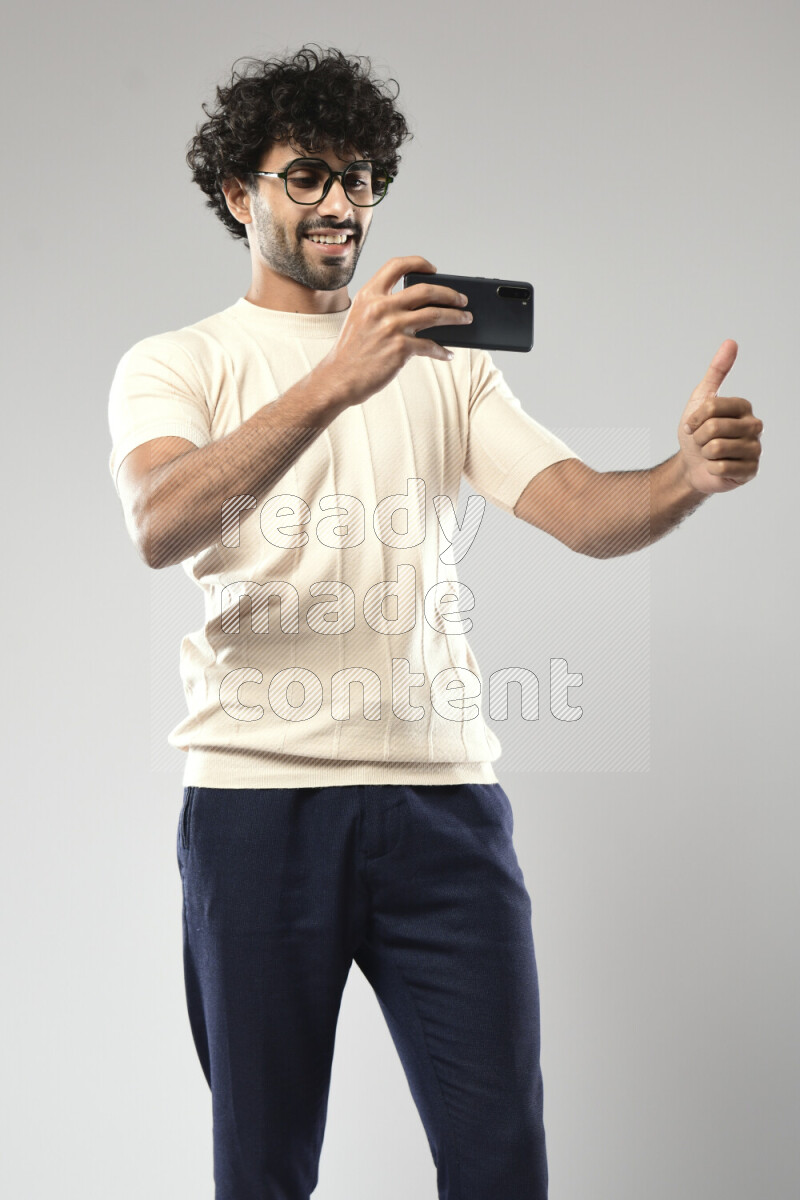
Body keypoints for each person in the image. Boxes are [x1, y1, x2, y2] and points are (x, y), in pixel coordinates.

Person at [107, 44, 763, 1200]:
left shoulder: (442, 367)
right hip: (258, 812)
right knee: (261, 1172)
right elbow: (164, 522)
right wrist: (332, 380)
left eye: (359, 179)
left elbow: (582, 512)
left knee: (500, 1163)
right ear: (237, 195)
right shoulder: (179, 362)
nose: (340, 204)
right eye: (306, 175)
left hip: (443, 808)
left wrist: (683, 479)